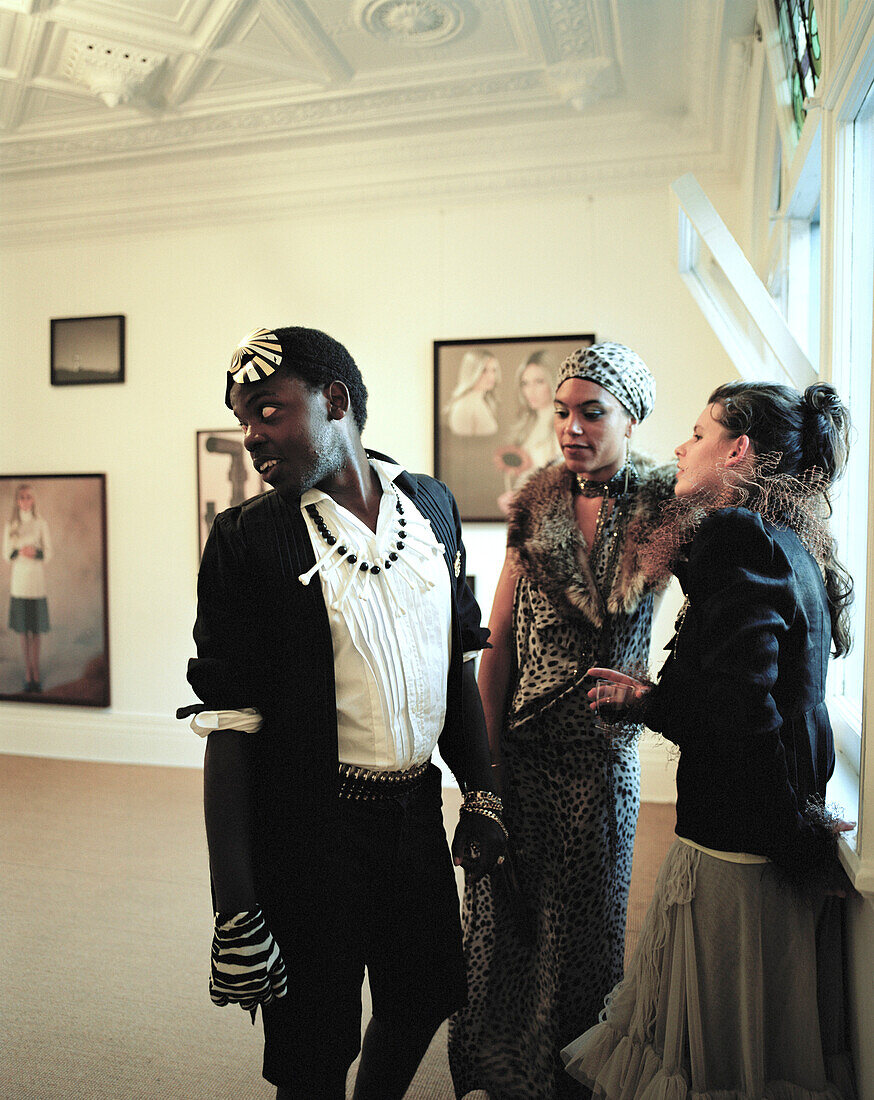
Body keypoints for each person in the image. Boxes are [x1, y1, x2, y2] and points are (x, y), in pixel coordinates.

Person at [176, 326, 507, 1100]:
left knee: (422, 995)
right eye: (243, 421)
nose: (253, 438)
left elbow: (456, 665)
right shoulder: (245, 539)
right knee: (314, 1045)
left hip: (414, 814)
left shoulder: (431, 505)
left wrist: (483, 793)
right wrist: (235, 905)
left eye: (268, 411)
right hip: (306, 828)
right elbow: (230, 726)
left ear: (335, 401)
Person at [562, 380, 857, 1099]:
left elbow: (744, 712)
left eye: (697, 433)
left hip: (738, 844)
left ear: (738, 449)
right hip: (765, 833)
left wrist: (792, 839)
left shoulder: (736, 535)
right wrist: (652, 702)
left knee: (708, 1059)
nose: (681, 447)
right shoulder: (792, 540)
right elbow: (755, 695)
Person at [448, 343, 676, 1100]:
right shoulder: (534, 506)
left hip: (603, 758)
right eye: (561, 413)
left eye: (591, 412)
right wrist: (485, 778)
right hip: (523, 749)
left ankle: (574, 1076)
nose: (571, 428)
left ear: (631, 419)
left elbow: (719, 623)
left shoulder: (668, 512)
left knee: (585, 934)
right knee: (506, 926)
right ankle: (498, 1071)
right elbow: (498, 644)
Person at [495, 350, 562, 515]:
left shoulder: (562, 426)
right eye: (525, 383)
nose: (530, 390)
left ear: (552, 382)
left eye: (539, 381)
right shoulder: (526, 427)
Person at [3, 483, 52, 693]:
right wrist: (19, 551)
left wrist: (36, 553)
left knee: (36, 631)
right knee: (23, 631)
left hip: (36, 582)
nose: (25, 501)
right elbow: (6, 554)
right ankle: (28, 672)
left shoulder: (41, 523)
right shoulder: (10, 525)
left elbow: (49, 552)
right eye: (21, 497)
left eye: (28, 497)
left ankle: (37, 670)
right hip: (19, 583)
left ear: (33, 500)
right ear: (17, 501)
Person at [445, 347, 501, 436]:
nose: (491, 376)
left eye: (494, 370)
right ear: (472, 372)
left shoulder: (481, 401)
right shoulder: (463, 405)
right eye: (484, 370)